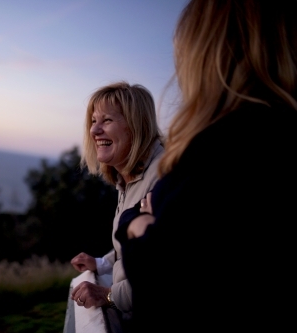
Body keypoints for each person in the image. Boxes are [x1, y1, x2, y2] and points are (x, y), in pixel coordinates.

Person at [115, 0, 297, 331]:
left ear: (206, 54)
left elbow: (168, 280)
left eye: (106, 120)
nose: (95, 129)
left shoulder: (222, 150)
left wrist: (137, 226)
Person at [69, 81, 164, 324]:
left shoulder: (163, 179)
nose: (94, 131)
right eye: (93, 121)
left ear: (136, 126)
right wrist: (102, 263)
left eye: (107, 121)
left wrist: (109, 295)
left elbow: (168, 272)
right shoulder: (128, 178)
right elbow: (136, 247)